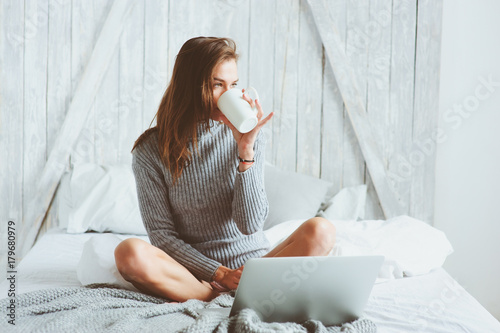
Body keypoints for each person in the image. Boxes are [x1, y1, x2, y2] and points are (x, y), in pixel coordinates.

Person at [114, 37, 336, 302]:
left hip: (255, 267)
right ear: (189, 86)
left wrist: (246, 153)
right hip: (197, 275)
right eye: (217, 85)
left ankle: (247, 290)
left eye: (233, 85)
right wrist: (218, 273)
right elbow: (162, 237)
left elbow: (250, 224)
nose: (227, 95)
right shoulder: (150, 151)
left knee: (321, 230)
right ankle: (216, 297)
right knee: (128, 253)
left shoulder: (248, 135)